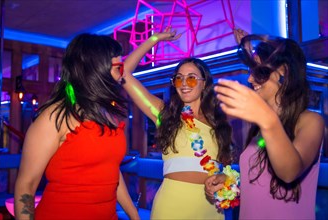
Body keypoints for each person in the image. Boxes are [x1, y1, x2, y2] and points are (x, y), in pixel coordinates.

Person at [14, 33, 140, 220]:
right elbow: (26, 185)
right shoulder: (55, 117)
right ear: (96, 69)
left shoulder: (108, 115)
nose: (122, 73)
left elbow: (111, 173)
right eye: (117, 67)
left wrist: (134, 215)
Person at [205, 29, 325, 219]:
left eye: (258, 72)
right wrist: (228, 181)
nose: (251, 79)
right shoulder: (259, 127)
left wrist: (267, 121)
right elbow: (262, 183)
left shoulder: (310, 121)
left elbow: (289, 172)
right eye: (251, 72)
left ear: (283, 71)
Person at [116, 27, 233, 219]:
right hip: (172, 206)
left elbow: (225, 170)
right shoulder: (165, 114)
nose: (184, 83)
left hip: (210, 208)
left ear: (204, 83)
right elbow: (124, 73)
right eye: (179, 79)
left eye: (192, 78)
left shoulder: (219, 122)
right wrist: (154, 39)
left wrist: (224, 178)